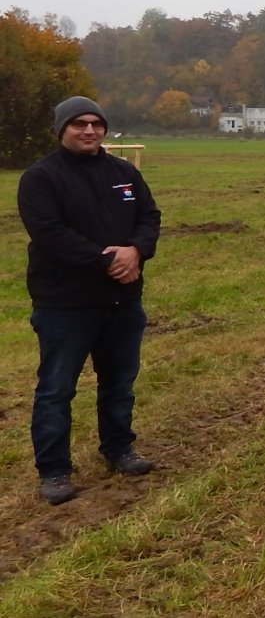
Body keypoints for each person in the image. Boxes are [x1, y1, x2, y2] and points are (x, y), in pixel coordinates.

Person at [18, 96, 162, 505]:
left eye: (96, 124)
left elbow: (149, 217)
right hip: (65, 303)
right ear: (62, 129)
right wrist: (106, 260)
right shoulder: (41, 178)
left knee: (119, 382)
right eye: (79, 124)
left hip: (122, 300)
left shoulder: (124, 173)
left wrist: (136, 250)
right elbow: (49, 232)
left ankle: (119, 449)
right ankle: (55, 470)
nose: (89, 131)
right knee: (57, 388)